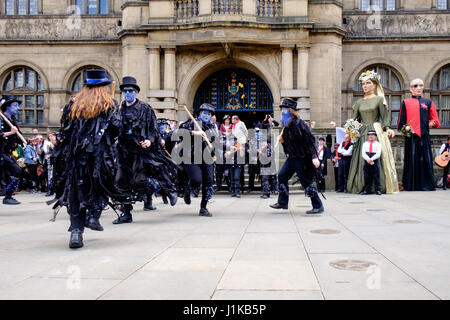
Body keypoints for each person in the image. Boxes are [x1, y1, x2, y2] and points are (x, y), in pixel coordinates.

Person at [51, 69, 123, 248]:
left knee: (76, 189)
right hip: (100, 157)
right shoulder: (110, 104)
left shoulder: (73, 104)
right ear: (104, 86)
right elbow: (116, 129)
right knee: (100, 186)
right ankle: (93, 216)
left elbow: (64, 130)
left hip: (76, 157)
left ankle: (76, 232)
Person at [113, 76, 178, 224]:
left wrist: (149, 140)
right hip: (124, 152)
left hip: (141, 153)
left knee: (140, 181)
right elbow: (114, 129)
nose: (127, 93)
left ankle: (165, 189)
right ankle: (126, 214)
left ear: (136, 92)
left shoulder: (145, 108)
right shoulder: (118, 111)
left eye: (130, 91)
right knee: (121, 182)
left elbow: (154, 129)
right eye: (125, 91)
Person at [347, 70, 398, 194]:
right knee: (361, 160)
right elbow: (355, 119)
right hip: (362, 132)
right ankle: (362, 186)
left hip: (375, 131)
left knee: (377, 159)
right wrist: (350, 129)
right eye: (363, 84)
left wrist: (387, 128)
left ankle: (378, 187)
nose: (365, 86)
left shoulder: (379, 99)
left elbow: (384, 117)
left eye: (368, 83)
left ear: (374, 84)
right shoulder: (359, 102)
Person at [270, 98, 324, 214]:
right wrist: (283, 141)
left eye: (284, 109)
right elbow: (290, 145)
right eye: (282, 109)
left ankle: (318, 205)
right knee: (282, 176)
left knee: (306, 182)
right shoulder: (286, 126)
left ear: (291, 111)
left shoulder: (300, 124)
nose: (282, 112)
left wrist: (314, 156)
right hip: (292, 157)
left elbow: (310, 141)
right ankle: (283, 202)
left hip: (302, 158)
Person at [397, 78, 440, 191]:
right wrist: (405, 130)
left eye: (421, 85)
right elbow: (401, 122)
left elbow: (435, 120)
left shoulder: (428, 102)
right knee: (411, 160)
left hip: (424, 135)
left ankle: (426, 185)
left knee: (425, 159)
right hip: (411, 137)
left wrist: (432, 123)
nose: (419, 88)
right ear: (411, 89)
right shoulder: (405, 102)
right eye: (416, 85)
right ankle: (411, 185)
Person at [179, 103, 218, 216]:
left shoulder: (212, 128)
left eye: (209, 114)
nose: (206, 115)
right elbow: (179, 133)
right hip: (191, 156)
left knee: (209, 181)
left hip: (206, 157)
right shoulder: (192, 123)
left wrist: (215, 154)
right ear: (200, 113)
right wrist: (194, 133)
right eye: (204, 113)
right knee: (196, 180)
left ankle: (203, 208)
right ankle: (187, 189)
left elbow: (212, 144)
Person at [0, 95, 23, 205]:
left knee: (16, 171)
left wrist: (30, 141)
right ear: (7, 107)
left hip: (6, 153)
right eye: (15, 105)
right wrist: (10, 132)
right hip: (0, 152)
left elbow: (18, 138)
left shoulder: (12, 121)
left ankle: (8, 196)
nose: (18, 108)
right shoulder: (1, 119)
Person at [361, 131, 382, 195]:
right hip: (367, 159)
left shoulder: (378, 144)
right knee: (367, 176)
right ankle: (367, 190)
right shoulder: (365, 144)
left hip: (374, 160)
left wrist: (371, 159)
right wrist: (368, 159)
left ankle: (378, 190)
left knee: (376, 176)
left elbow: (378, 154)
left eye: (372, 135)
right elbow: (363, 153)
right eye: (369, 135)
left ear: (375, 136)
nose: (370, 136)